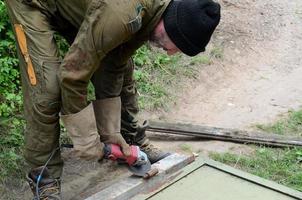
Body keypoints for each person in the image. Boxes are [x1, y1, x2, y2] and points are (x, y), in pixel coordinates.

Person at [4, 0, 221, 199]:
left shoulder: (153, 13)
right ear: (172, 27)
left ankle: (129, 142)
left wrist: (110, 134)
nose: (172, 54)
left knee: (122, 68)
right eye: (179, 46)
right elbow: (72, 75)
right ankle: (44, 178)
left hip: (80, 7)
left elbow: (114, 64)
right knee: (47, 88)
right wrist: (87, 140)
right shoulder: (124, 15)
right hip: (33, 5)